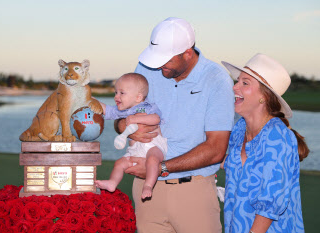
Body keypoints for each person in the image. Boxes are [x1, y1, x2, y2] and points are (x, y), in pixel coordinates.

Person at [116, 17, 235, 233]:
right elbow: (120, 117)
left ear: (187, 53)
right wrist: (124, 126)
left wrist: (159, 168)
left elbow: (217, 149)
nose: (159, 65)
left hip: (194, 191)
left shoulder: (216, 79)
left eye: (166, 59)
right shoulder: (146, 67)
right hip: (145, 192)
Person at [221, 53, 309, 233]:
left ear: (264, 96)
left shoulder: (276, 135)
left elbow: (271, 200)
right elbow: (231, 162)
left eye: (245, 83)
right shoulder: (240, 129)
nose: (235, 87)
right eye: (237, 81)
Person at [95, 73, 167, 199]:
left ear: (138, 97)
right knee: (119, 163)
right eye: (115, 92)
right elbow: (106, 110)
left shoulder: (146, 107)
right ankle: (112, 183)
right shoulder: (121, 111)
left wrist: (136, 118)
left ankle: (148, 185)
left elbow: (156, 119)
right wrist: (91, 101)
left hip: (153, 146)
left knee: (152, 161)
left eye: (122, 93)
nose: (116, 96)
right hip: (135, 151)